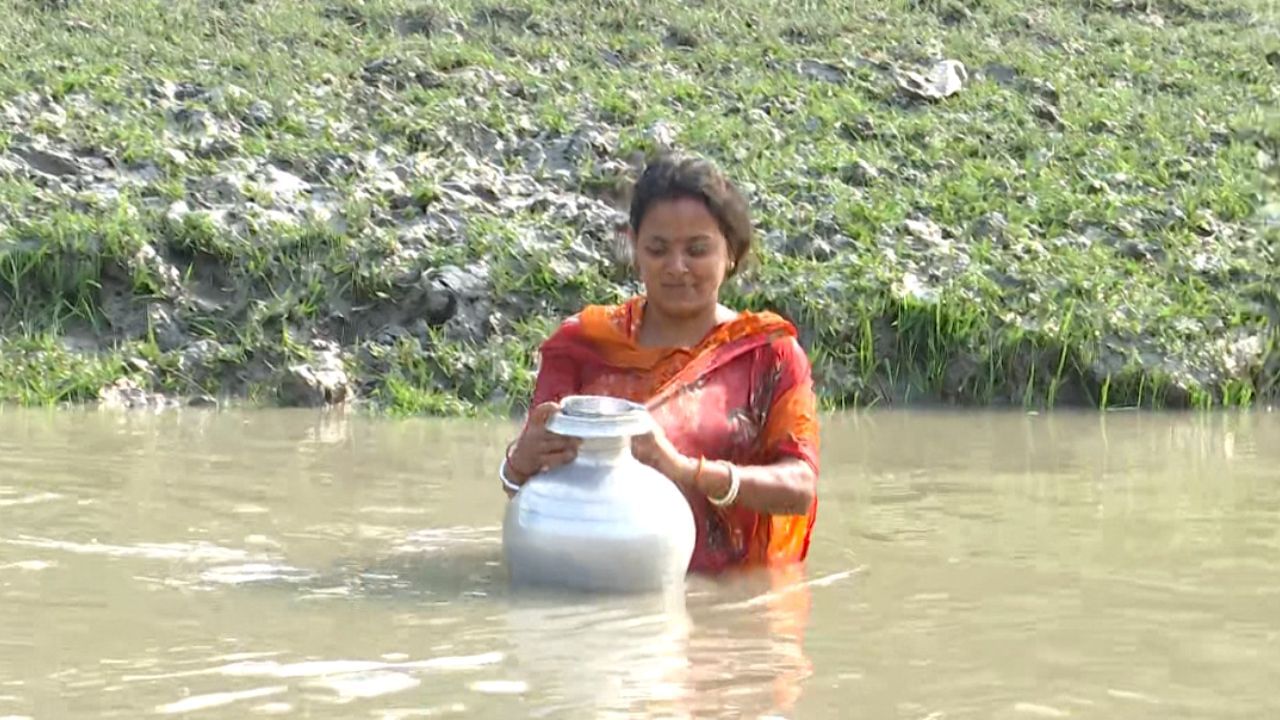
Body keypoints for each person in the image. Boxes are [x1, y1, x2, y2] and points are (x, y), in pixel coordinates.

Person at [498, 153, 820, 575]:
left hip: (724, 599)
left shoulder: (768, 354)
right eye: (658, 248)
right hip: (596, 585)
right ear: (635, 248)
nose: (677, 267)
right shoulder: (583, 344)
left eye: (698, 249)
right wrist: (519, 462)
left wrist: (687, 471)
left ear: (732, 252)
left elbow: (800, 486)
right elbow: (533, 484)